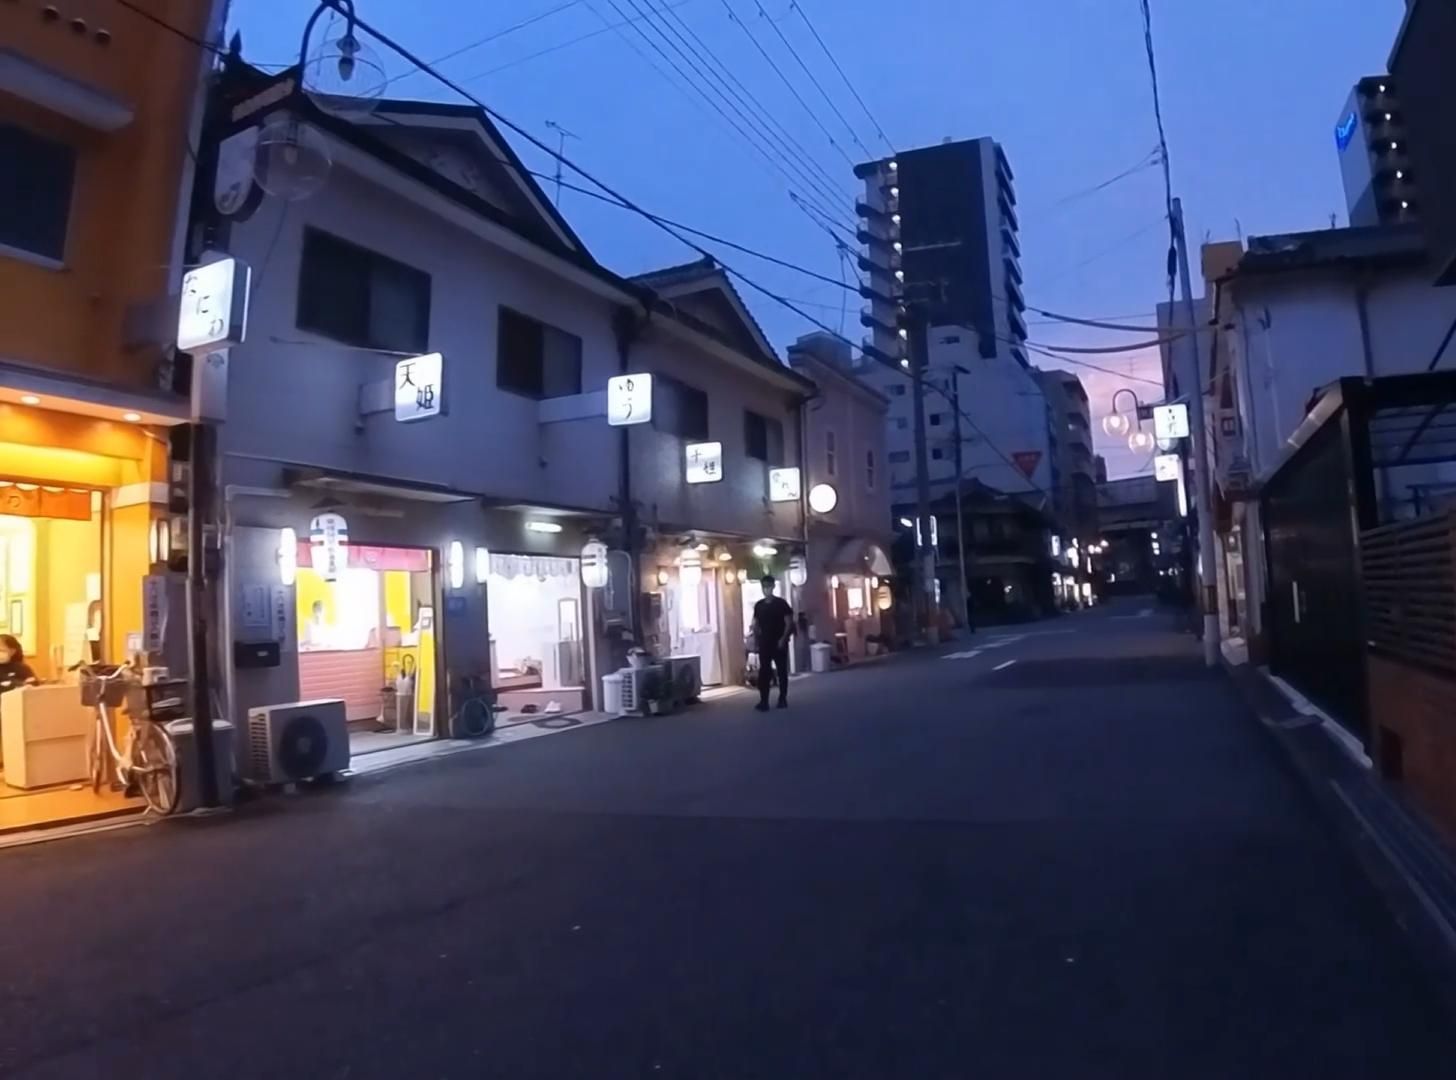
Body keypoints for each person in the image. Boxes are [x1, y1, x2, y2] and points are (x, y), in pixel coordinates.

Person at [750, 575, 794, 712]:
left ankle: (782, 698)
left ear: (773, 587)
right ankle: (764, 701)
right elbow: (755, 623)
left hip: (779, 641)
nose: (766, 590)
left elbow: (789, 623)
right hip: (765, 642)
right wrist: (755, 636)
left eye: (768, 587)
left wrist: (783, 638)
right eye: (764, 587)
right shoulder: (759, 605)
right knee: (765, 671)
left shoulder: (781, 604)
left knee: (781, 671)